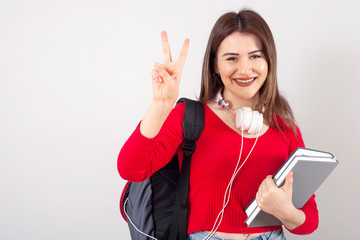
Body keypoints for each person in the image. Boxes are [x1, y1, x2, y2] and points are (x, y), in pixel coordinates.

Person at [118, 9, 319, 240]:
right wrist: (161, 104)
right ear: (214, 65)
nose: (245, 69)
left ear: (269, 61)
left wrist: (287, 213)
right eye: (232, 58)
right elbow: (131, 168)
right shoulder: (190, 117)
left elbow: (309, 220)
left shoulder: (286, 130)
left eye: (255, 56)